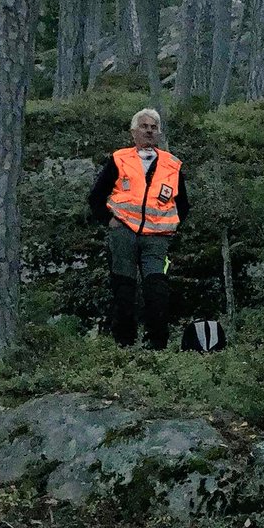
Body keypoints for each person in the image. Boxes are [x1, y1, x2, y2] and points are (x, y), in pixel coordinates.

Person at [88, 108, 189, 349]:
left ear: (159, 133)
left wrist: (172, 226)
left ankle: (157, 345)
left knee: (157, 290)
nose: (149, 131)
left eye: (154, 127)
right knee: (124, 288)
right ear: (134, 132)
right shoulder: (119, 159)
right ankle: (124, 344)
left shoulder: (172, 165)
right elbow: (96, 196)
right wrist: (109, 220)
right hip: (123, 233)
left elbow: (183, 204)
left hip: (157, 239)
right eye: (144, 126)